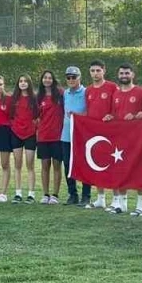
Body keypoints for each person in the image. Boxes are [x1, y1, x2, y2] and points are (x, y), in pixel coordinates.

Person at [104, 64, 142, 215]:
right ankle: (122, 204)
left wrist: (136, 116)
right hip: (120, 138)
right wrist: (110, 116)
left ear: (133, 74)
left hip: (137, 139)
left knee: (138, 170)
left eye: (127, 73)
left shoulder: (141, 92)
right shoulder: (115, 94)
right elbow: (114, 114)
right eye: (121, 73)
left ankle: (140, 205)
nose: (124, 76)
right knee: (120, 169)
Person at [83, 60, 117, 209]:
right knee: (96, 163)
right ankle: (100, 198)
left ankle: (116, 198)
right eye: (92, 71)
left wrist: (112, 116)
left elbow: (117, 107)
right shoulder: (88, 90)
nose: (95, 73)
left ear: (104, 71)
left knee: (112, 164)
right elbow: (88, 110)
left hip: (110, 132)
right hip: (94, 133)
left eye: (98, 70)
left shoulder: (112, 87)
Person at [59, 66, 90, 206]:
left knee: (83, 164)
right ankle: (72, 194)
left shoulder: (86, 92)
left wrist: (78, 116)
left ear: (79, 78)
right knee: (67, 164)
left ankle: (86, 196)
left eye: (74, 77)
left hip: (82, 135)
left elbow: (90, 112)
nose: (71, 80)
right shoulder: (65, 93)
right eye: (68, 77)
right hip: (66, 135)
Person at [7, 74, 39, 203]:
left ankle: (31, 194)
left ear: (29, 83)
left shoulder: (34, 98)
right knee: (17, 164)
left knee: (30, 164)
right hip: (16, 133)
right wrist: (15, 126)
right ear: (18, 83)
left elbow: (37, 115)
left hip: (30, 134)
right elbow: (10, 116)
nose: (23, 83)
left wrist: (33, 127)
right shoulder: (13, 98)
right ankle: (18, 193)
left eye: (25, 81)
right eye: (21, 81)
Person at [35, 70, 65, 204]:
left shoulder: (60, 94)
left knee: (57, 166)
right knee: (45, 166)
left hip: (58, 136)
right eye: (45, 78)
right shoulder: (38, 97)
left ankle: (55, 195)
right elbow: (35, 116)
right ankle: (45, 194)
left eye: (49, 78)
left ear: (53, 80)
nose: (47, 80)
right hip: (43, 136)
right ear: (42, 80)